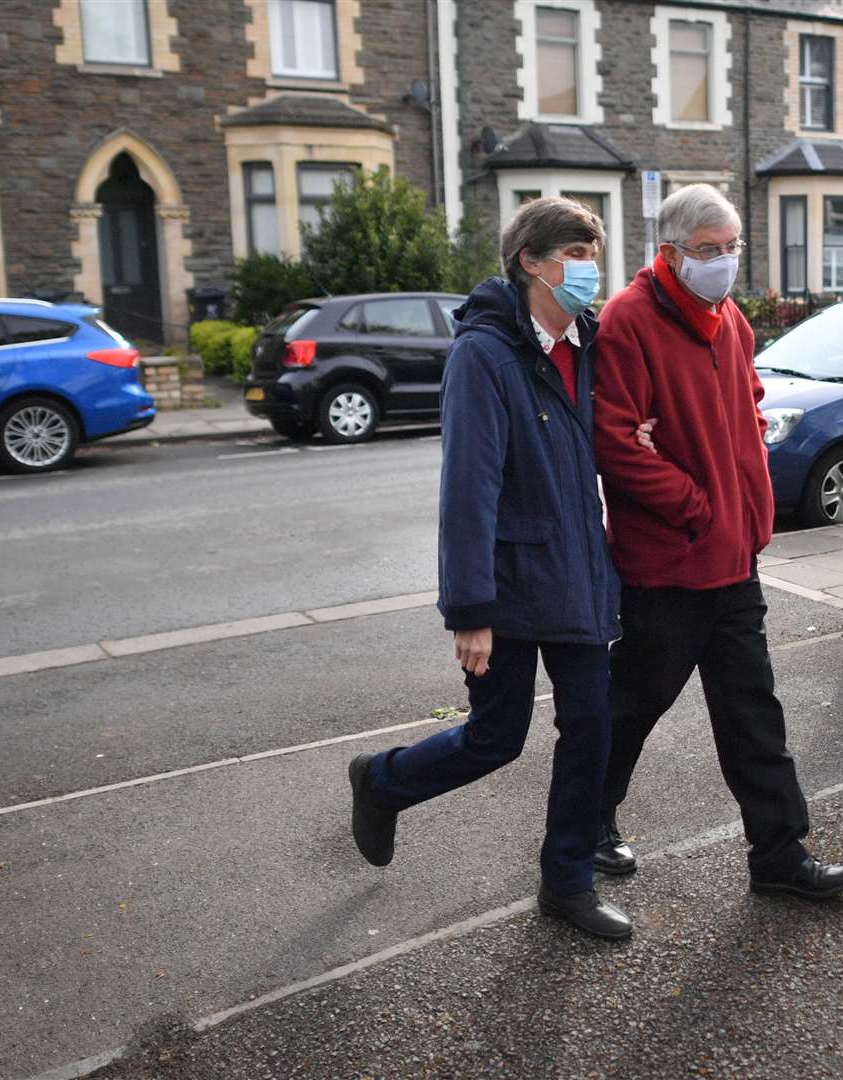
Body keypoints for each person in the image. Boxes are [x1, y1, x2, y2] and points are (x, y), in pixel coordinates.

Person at [346, 197, 631, 941]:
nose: (589, 266)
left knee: (591, 727)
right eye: (574, 250)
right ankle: (382, 781)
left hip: (576, 574)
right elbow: (468, 486)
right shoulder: (485, 353)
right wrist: (468, 608)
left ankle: (565, 882)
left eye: (594, 249)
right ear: (530, 262)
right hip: (506, 586)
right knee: (495, 736)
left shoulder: (589, 344)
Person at [590, 184, 843, 900]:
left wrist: (746, 503)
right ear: (670, 252)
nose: (724, 262)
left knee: (753, 712)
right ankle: (587, 820)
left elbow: (745, 400)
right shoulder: (628, 322)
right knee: (635, 704)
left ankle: (779, 855)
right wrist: (699, 506)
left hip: (732, 558)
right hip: (669, 564)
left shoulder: (730, 318)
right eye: (709, 251)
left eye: (732, 247)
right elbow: (616, 444)